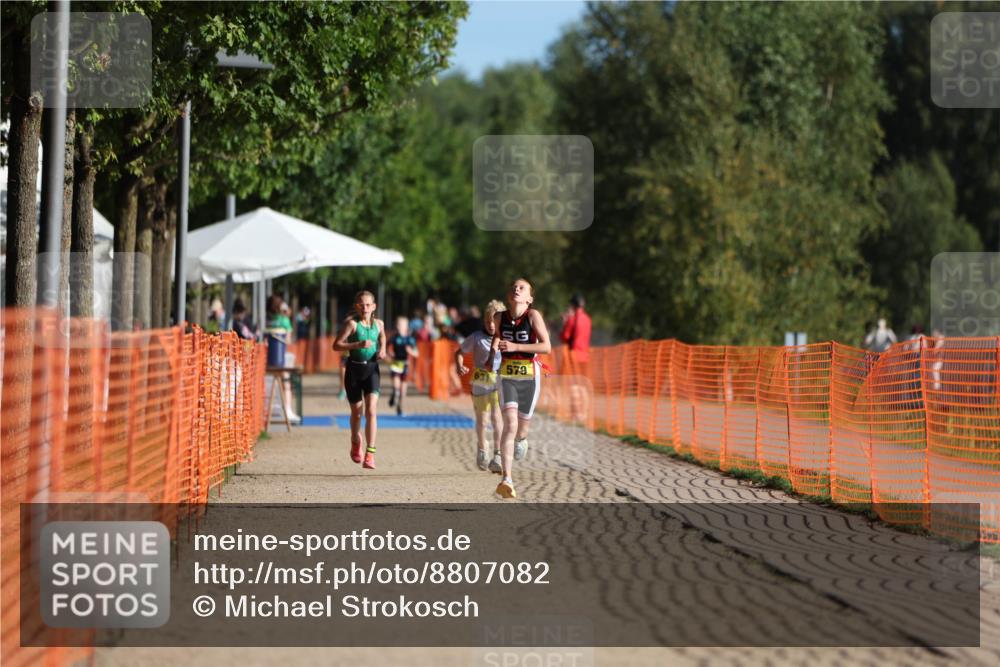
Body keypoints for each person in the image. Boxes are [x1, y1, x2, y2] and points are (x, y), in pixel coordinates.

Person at [487, 278, 552, 499]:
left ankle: (523, 439)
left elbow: (547, 346)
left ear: (529, 298)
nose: (517, 288)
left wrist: (517, 346)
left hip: (530, 378)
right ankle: (507, 479)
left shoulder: (533, 316)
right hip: (506, 376)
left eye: (522, 288)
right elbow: (497, 337)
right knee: (510, 424)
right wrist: (490, 357)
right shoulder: (499, 317)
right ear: (508, 295)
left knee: (521, 429)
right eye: (514, 286)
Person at [333, 290, 386, 469]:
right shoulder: (352, 325)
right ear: (356, 307)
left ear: (374, 307)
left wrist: (383, 349)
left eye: (368, 304)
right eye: (361, 305)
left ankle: (370, 454)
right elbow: (336, 345)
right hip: (354, 369)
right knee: (357, 412)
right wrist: (357, 345)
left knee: (371, 410)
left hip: (372, 369)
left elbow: (383, 336)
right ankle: (356, 441)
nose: (365, 308)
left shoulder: (379, 324)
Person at [456, 300, 505, 472]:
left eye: (495, 321)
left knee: (497, 418)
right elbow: (459, 352)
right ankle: (482, 448)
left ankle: (498, 455)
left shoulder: (506, 338)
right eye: (488, 321)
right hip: (480, 381)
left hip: (499, 380)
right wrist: (459, 365)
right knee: (482, 420)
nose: (491, 325)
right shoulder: (476, 337)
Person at [560, 293, 592, 422]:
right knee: (583, 385)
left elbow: (565, 337)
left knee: (573, 385)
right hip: (585, 355)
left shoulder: (573, 319)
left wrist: (565, 322)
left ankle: (576, 414)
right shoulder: (588, 319)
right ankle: (584, 413)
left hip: (573, 355)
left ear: (573, 305)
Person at [388, 316, 419, 417]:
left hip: (405, 364)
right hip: (396, 364)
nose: (399, 326)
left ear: (406, 326)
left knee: (403, 390)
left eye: (402, 324)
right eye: (398, 324)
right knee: (396, 387)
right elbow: (387, 347)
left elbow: (416, 354)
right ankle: (394, 394)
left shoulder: (410, 339)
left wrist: (410, 351)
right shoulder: (394, 337)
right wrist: (390, 354)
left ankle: (400, 408)